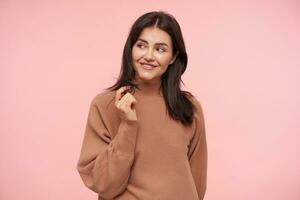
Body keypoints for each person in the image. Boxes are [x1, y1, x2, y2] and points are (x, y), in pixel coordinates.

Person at [76, 11, 207, 200]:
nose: (149, 56)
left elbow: (198, 184)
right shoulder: (105, 105)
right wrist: (128, 125)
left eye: (160, 49)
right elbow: (104, 184)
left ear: (173, 57)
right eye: (141, 46)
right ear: (131, 49)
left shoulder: (189, 108)